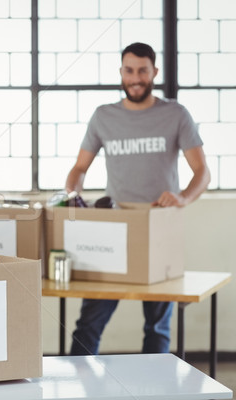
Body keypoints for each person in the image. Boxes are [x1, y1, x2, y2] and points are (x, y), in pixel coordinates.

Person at [65, 42, 211, 355]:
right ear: (121, 72)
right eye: (129, 70)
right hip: (113, 234)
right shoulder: (103, 116)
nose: (135, 78)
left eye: (142, 71)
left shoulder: (176, 114)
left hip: (159, 231)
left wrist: (183, 198)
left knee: (157, 326)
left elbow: (202, 173)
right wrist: (73, 198)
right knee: (89, 322)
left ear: (154, 72)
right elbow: (79, 168)